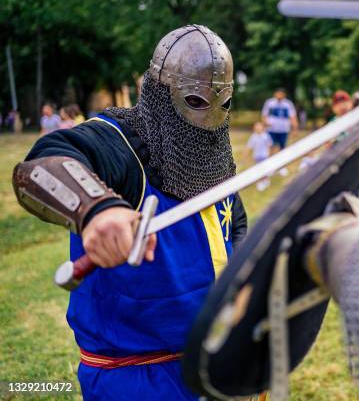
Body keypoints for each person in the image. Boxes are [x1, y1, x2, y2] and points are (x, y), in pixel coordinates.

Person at [13, 25, 248, 400]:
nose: (210, 115)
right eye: (197, 100)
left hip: (215, 364)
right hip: (139, 379)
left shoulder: (212, 154)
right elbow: (42, 164)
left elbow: (233, 227)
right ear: (160, 92)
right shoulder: (116, 141)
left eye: (221, 101)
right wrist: (97, 210)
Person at [261, 88, 298, 176]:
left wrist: (295, 129)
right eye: (278, 93)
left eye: (281, 94)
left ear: (284, 95)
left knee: (282, 148)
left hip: (283, 130)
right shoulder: (270, 103)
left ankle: (282, 167)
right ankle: (270, 167)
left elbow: (293, 117)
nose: (279, 95)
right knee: (271, 147)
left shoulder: (288, 104)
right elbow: (264, 115)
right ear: (275, 94)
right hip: (271, 130)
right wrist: (265, 123)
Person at [245, 121, 273, 191]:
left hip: (264, 155)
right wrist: (246, 154)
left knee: (265, 168)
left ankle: (266, 180)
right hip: (257, 156)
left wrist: (269, 154)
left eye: (259, 127)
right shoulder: (253, 137)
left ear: (263, 128)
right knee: (259, 169)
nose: (258, 128)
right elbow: (249, 146)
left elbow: (269, 145)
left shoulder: (266, 136)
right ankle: (260, 182)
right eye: (256, 127)